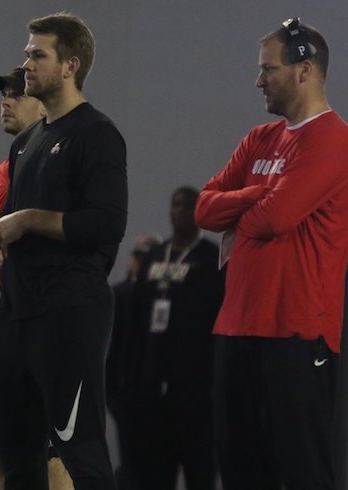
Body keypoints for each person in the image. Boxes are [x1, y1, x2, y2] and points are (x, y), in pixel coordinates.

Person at [0, 13, 127, 489]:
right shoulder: (26, 143)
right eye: (27, 53)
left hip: (68, 312)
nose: (27, 63)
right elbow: (16, 234)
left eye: (38, 55)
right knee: (16, 458)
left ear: (69, 66)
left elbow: (106, 223)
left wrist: (27, 220)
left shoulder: (96, 133)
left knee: (80, 454)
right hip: (18, 313)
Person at [194, 18, 348, 489]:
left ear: (304, 70)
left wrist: (245, 202)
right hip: (237, 328)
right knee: (240, 471)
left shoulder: (334, 140)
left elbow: (272, 220)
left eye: (268, 69)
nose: (259, 80)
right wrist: (258, 192)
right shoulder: (259, 139)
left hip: (296, 334)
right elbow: (203, 208)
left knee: (302, 473)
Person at [0, 67, 72, 490]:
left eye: (15, 95)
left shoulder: (56, 169)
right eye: (2, 94)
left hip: (38, 326)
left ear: (41, 102)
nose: (5, 101)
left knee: (51, 456)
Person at [123, 187, 223, 489]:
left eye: (189, 205)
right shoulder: (154, 256)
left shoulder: (211, 259)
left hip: (194, 385)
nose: (181, 210)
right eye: (176, 204)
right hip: (151, 384)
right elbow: (136, 319)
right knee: (155, 470)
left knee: (199, 467)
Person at [105, 233, 160, 490]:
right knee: (131, 464)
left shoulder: (164, 298)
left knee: (154, 464)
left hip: (155, 395)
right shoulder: (118, 296)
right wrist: (113, 395)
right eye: (142, 257)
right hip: (126, 393)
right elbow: (109, 351)